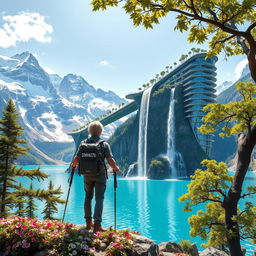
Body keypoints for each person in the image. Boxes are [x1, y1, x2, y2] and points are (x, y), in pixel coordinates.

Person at [71, 121, 119, 232]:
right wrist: (115, 168)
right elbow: (110, 160)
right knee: (99, 198)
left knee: (88, 197)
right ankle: (97, 225)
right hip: (100, 175)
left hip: (87, 175)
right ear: (100, 131)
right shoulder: (104, 144)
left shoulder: (83, 143)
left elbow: (76, 159)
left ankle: (88, 223)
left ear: (89, 131)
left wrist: (73, 166)